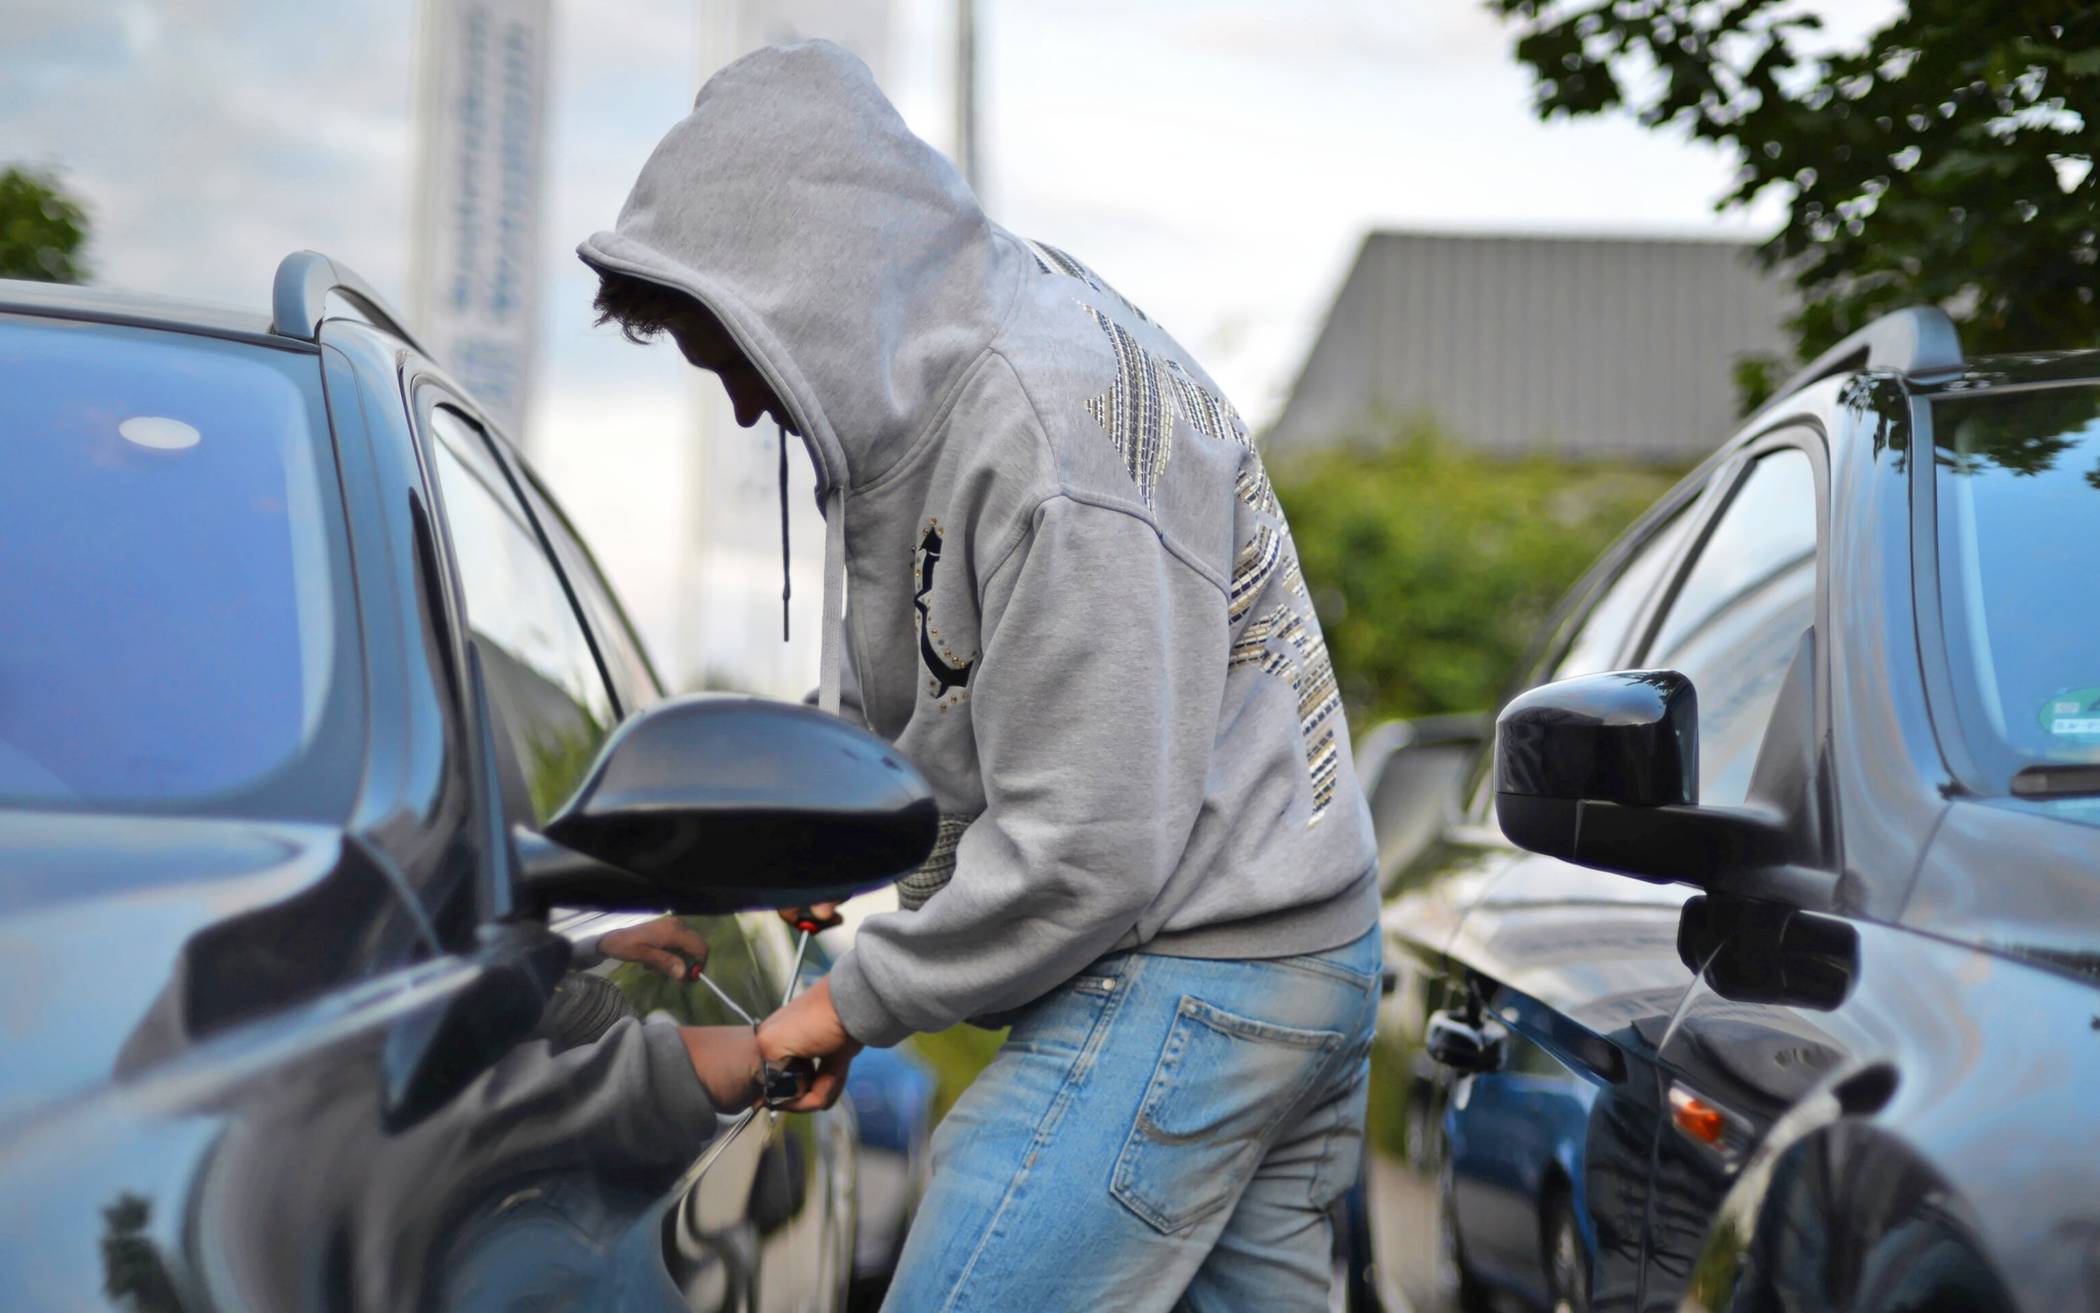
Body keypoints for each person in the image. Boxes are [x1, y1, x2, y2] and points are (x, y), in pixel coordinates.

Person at [580, 40, 1383, 1311]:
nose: (744, 407)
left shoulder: (1051, 434)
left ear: (811, 289)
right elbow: (946, 702)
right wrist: (763, 860)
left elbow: (1093, 842)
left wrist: (847, 1005)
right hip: (1276, 949)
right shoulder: (948, 392)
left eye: (733, 356)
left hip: (1200, 966)